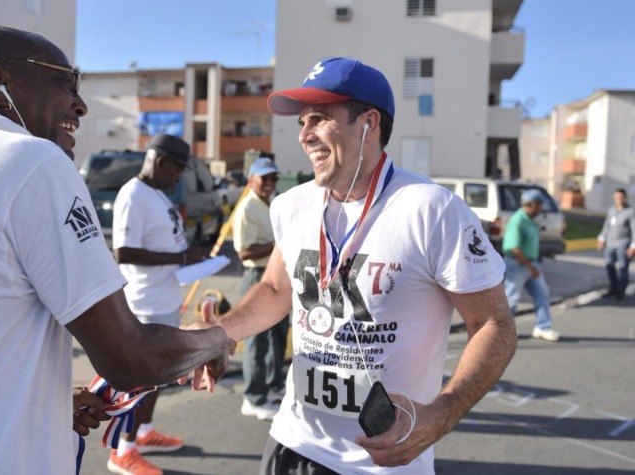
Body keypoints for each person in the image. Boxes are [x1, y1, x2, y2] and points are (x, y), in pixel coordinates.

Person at [0, 26, 232, 475]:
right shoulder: (33, 162)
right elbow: (129, 358)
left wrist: (44, 397)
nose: (80, 104)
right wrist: (216, 341)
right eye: (65, 81)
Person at [196, 57, 517, 473]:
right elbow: (277, 291)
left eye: (320, 118)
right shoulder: (291, 206)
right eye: (301, 123)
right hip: (293, 443)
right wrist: (219, 334)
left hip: (384, 458)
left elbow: (495, 325)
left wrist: (441, 414)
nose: (305, 135)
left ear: (369, 123)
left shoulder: (431, 209)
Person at [109, 133, 210, 475]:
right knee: (142, 380)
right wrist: (181, 256)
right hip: (144, 303)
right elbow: (123, 252)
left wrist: (189, 259)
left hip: (163, 297)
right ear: (161, 161)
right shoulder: (133, 194)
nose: (178, 178)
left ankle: (145, 433)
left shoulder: (155, 194)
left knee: (157, 379)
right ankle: (123, 452)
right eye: (177, 170)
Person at [232, 157, 290, 421]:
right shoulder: (247, 208)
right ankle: (253, 397)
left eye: (273, 178)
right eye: (264, 178)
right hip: (258, 275)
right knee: (257, 339)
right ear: (251, 180)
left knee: (278, 336)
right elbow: (244, 252)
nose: (269, 183)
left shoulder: (273, 202)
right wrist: (279, 243)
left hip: (278, 275)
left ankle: (273, 385)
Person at [503, 189, 560, 341]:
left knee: (542, 294)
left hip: (530, 264)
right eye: (539, 205)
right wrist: (529, 267)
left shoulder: (530, 219)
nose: (541, 208)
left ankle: (543, 327)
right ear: (532, 204)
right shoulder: (518, 220)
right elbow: (514, 247)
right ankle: (502, 331)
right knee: (512, 299)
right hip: (518, 264)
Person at [596, 188, 635, 299]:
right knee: (609, 266)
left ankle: (620, 292)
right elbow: (607, 226)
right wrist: (602, 238)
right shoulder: (611, 210)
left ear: (625, 198)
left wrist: (633, 246)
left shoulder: (630, 211)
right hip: (610, 243)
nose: (618, 200)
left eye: (620, 197)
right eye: (616, 197)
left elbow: (634, 229)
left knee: (623, 268)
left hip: (623, 243)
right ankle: (613, 288)